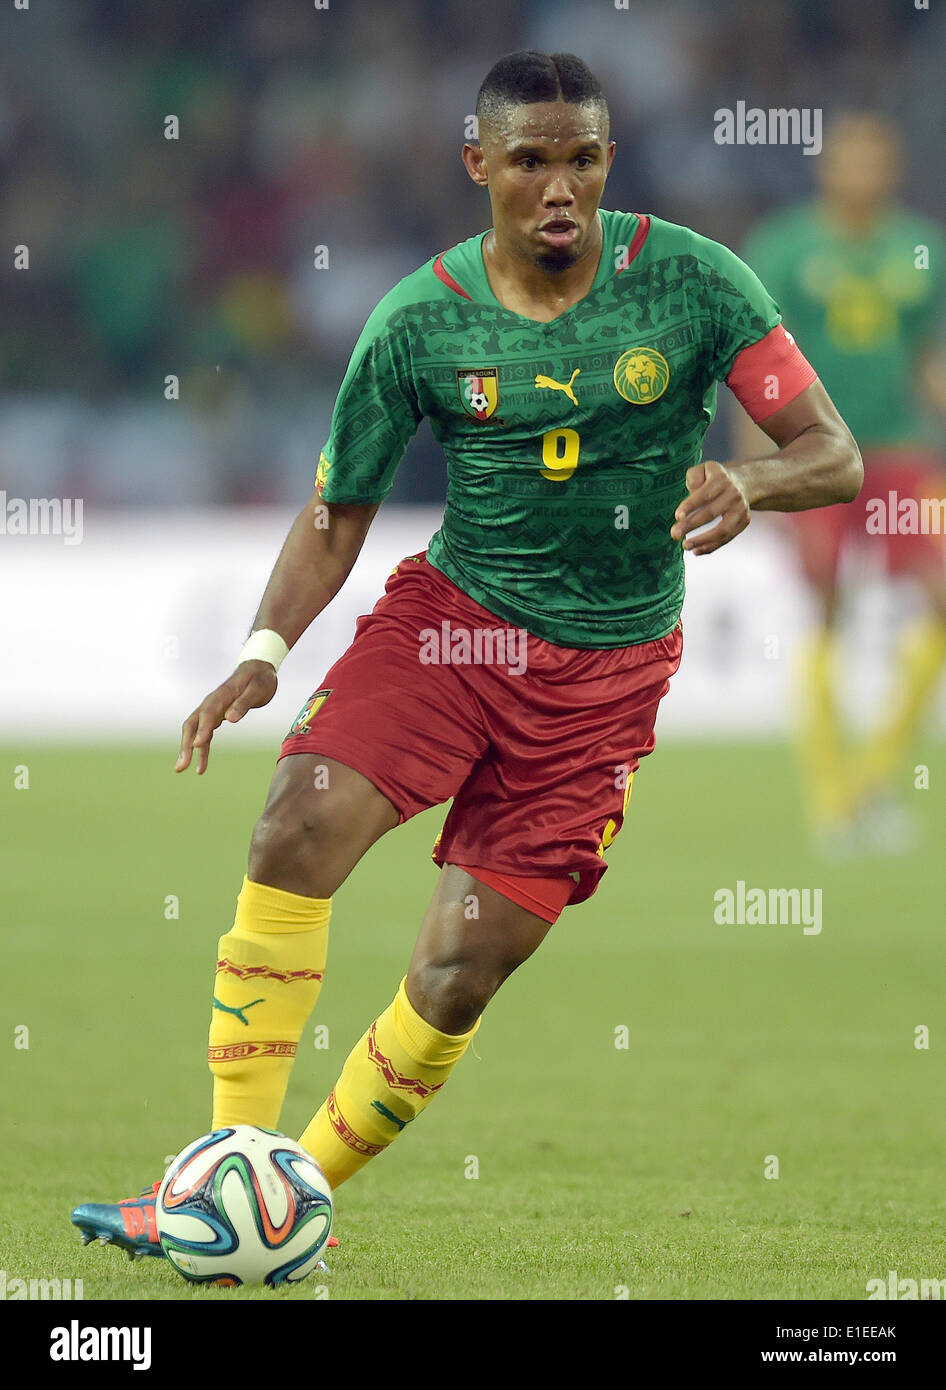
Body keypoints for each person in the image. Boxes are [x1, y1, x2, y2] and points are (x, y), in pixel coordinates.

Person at [71, 50, 861, 1262]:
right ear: (477, 163)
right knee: (294, 822)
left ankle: (285, 1203)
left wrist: (752, 476)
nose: (560, 188)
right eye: (532, 160)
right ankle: (221, 1178)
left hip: (606, 676)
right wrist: (265, 649)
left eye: (583, 160)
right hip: (455, 626)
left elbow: (834, 454)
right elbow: (339, 509)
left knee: (456, 973)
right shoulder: (418, 321)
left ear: (608, 163)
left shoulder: (697, 285)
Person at [738, 113, 946, 850]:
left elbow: (930, 361)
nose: (865, 173)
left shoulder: (922, 249)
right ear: (827, 169)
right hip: (816, 451)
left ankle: (872, 782)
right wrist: (757, 477)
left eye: (877, 160)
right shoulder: (786, 248)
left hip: (900, 453)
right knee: (827, 603)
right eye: (852, 160)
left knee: (940, 600)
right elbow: (752, 367)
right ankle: (833, 804)